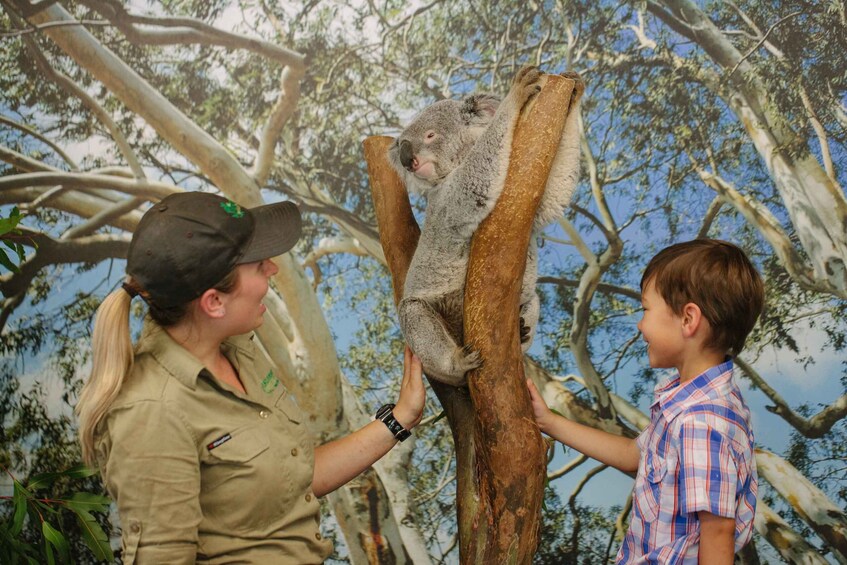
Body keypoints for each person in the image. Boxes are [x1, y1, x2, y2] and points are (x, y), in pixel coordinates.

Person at [76, 191, 425, 564]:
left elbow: (293, 478)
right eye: (258, 265)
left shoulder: (238, 347)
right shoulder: (151, 413)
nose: (272, 268)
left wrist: (399, 418)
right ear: (214, 302)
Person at [527, 239, 764, 564]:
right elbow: (632, 455)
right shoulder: (687, 402)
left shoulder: (702, 423)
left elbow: (718, 535)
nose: (640, 324)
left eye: (645, 309)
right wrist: (549, 421)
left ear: (688, 319)